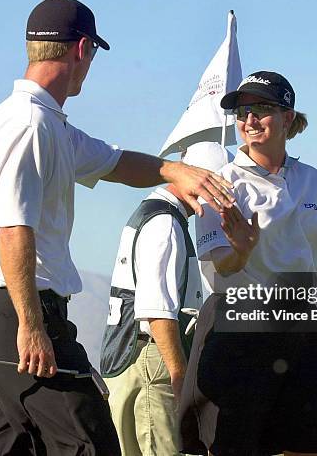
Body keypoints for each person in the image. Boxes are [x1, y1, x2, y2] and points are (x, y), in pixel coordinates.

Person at [0, 0, 234, 455]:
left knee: (8, 447)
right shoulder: (28, 124)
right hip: (25, 316)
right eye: (91, 57)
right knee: (91, 443)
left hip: (8, 312)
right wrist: (31, 325)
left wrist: (174, 171)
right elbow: (12, 228)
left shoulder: (48, 123)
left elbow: (114, 162)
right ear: (82, 49)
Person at [178, 71, 317, 456]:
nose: (249, 120)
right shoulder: (220, 184)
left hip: (303, 328)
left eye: (262, 109)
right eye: (243, 112)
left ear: (288, 118)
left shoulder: (315, 182)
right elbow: (218, 270)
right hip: (241, 326)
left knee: (311, 447)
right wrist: (242, 251)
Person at [99, 181, 203, 456]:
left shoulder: (148, 214)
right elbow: (157, 309)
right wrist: (179, 375)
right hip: (155, 360)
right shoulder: (166, 223)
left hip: (130, 357)